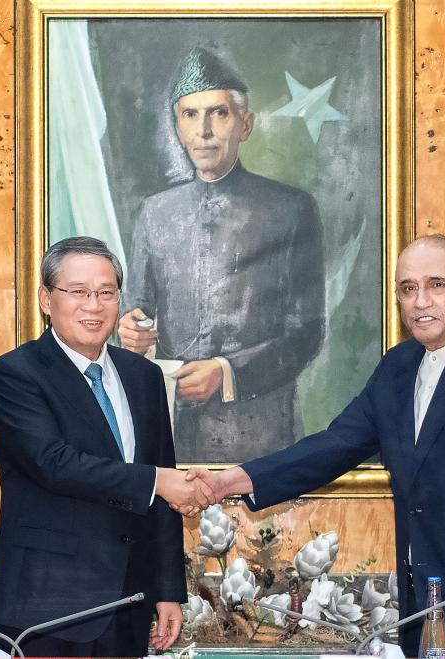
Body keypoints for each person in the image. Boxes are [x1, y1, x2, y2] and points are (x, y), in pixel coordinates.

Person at [188, 235, 445, 656]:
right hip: (423, 606)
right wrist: (229, 481)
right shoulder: (397, 368)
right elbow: (334, 445)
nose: (421, 301)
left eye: (437, 284)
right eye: (408, 288)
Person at [0, 236, 213, 657]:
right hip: (47, 605)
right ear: (47, 299)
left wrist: (167, 590)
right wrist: (157, 481)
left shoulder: (143, 377)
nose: (94, 305)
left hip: (128, 603)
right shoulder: (15, 374)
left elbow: (161, 484)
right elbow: (53, 464)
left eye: (106, 293)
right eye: (78, 291)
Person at [118, 47, 325, 463]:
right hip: (170, 432)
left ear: (245, 124)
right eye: (190, 115)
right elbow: (137, 308)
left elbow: (306, 333)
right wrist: (129, 330)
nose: (204, 131)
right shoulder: (154, 213)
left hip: (262, 439)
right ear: (177, 127)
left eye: (219, 113)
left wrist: (228, 373)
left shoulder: (291, 209)